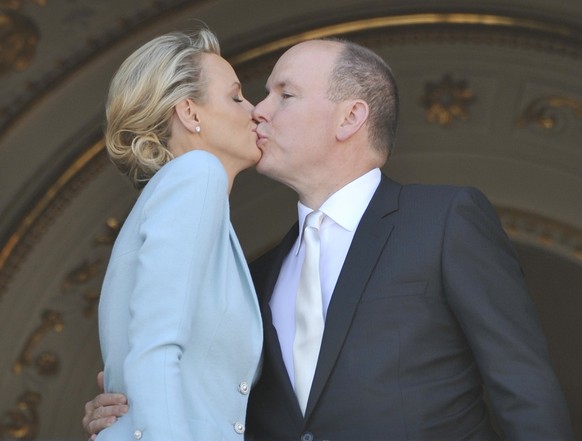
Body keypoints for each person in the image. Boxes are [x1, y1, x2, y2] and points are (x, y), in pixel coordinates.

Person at [84, 38, 575, 440]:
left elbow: (523, 387)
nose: (259, 111)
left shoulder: (444, 220)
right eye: (251, 95)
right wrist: (126, 414)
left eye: (285, 94)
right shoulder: (252, 277)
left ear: (350, 117)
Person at [90, 27, 263, 441]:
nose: (255, 110)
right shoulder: (196, 175)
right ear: (189, 113)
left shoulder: (180, 195)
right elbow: (154, 349)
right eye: (236, 96)